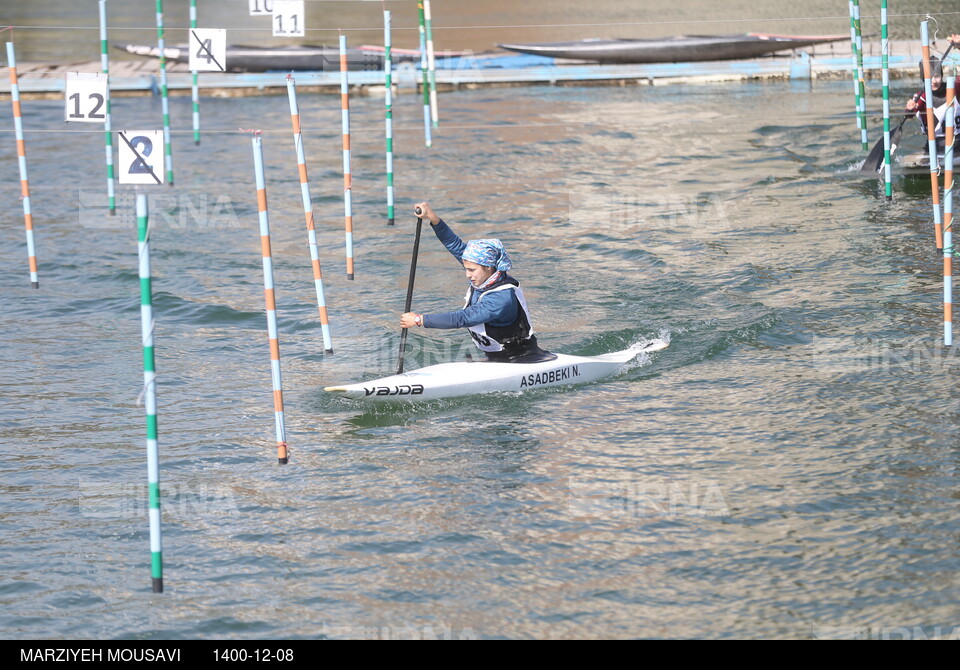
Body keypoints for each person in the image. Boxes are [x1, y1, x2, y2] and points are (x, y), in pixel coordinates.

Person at [399, 202, 553, 362]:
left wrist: (419, 320)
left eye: (471, 270)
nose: (467, 274)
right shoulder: (483, 272)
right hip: (496, 356)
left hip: (521, 357)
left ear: (488, 267)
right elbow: (454, 244)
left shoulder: (501, 298)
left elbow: (463, 318)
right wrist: (433, 218)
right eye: (466, 268)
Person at [905, 34, 960, 145]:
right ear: (923, 79)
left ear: (942, 75)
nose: (934, 81)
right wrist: (909, 109)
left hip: (958, 140)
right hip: (933, 144)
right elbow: (909, 115)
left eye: (937, 76)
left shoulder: (955, 88)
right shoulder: (921, 97)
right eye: (929, 78)